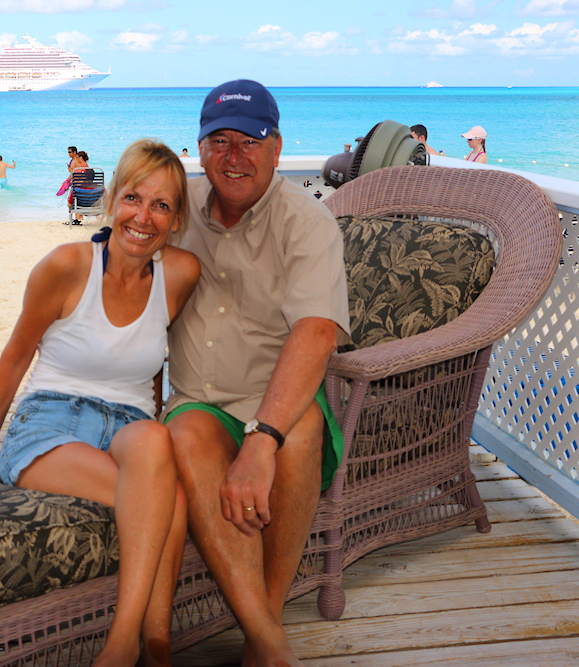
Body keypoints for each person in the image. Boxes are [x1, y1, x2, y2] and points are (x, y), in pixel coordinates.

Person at [0, 139, 201, 667]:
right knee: (172, 502)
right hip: (51, 422)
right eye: (134, 198)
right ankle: (140, 646)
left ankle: (144, 647)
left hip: (131, 428)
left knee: (155, 439)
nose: (144, 217)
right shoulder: (67, 265)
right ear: (112, 199)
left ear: (177, 219)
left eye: (161, 205)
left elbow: (158, 360)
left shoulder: (181, 274)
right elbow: (14, 357)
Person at [163, 79, 350, 667]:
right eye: (219, 140)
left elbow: (316, 332)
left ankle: (259, 632)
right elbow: (120, 238)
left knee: (299, 437)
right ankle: (270, 638)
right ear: (198, 149)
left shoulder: (307, 220)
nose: (233, 155)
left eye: (251, 140)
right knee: (186, 433)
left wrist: (262, 439)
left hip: (277, 396)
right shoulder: (176, 206)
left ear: (276, 148)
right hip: (199, 398)